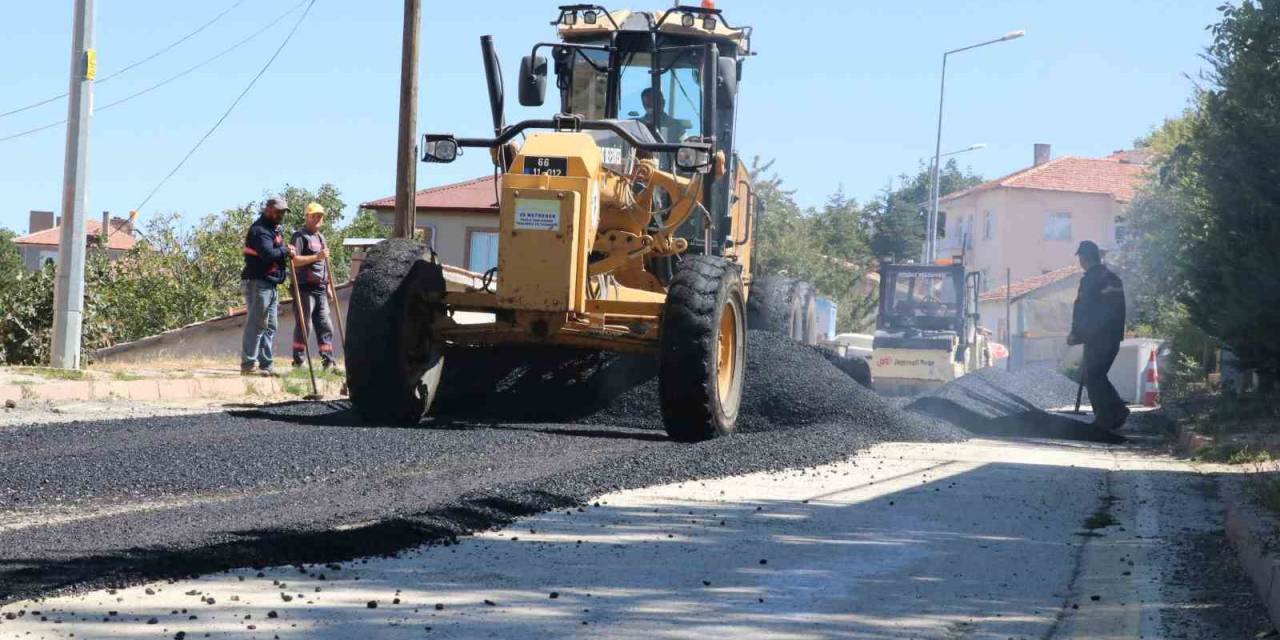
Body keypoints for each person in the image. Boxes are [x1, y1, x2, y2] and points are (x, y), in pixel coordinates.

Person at [1067, 240, 1129, 429]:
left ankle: (1110, 415)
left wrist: (1076, 334)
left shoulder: (1090, 280)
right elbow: (1116, 310)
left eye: (1080, 258)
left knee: (1093, 376)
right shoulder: (1112, 278)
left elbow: (1083, 309)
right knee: (1097, 375)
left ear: (1084, 258)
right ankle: (1114, 414)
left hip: (1097, 337)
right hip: (1112, 337)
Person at [240, 196, 296, 376]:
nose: (281, 215)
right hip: (258, 283)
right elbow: (267, 254)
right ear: (269, 209)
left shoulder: (273, 229)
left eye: (283, 212)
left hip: (270, 284)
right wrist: (286, 250)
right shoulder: (259, 230)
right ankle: (248, 365)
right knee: (257, 324)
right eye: (278, 211)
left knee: (270, 325)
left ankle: (266, 365)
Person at [290, 202, 336, 370]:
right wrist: (317, 257)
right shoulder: (299, 236)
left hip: (321, 288)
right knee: (304, 324)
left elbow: (324, 264)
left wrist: (329, 286)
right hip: (304, 288)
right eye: (314, 215)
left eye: (320, 216)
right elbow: (294, 261)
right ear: (307, 217)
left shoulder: (321, 237)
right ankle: (299, 361)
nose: (317, 219)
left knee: (325, 325)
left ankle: (328, 361)